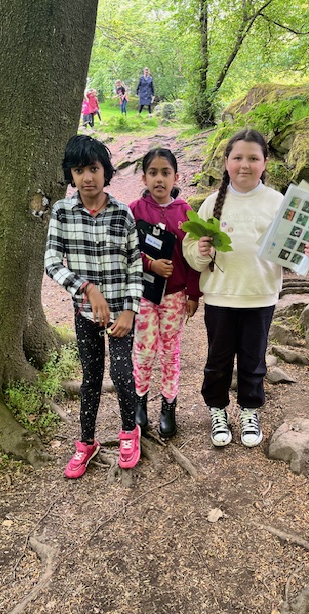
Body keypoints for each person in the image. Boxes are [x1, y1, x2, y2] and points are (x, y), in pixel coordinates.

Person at [182, 129, 309, 449]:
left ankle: (249, 411)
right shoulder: (211, 204)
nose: (244, 165)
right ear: (226, 162)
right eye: (237, 157)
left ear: (265, 162)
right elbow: (191, 251)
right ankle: (218, 410)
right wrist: (200, 251)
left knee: (253, 359)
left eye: (252, 158)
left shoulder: (279, 203)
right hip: (220, 297)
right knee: (218, 360)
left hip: (260, 296)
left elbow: (296, 250)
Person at [45, 135, 144, 478]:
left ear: (105, 171)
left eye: (93, 168)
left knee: (122, 373)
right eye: (79, 170)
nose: (87, 177)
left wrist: (130, 311)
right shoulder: (62, 212)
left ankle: (130, 432)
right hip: (85, 313)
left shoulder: (122, 213)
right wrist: (87, 288)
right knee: (91, 377)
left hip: (121, 316)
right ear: (70, 175)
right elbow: (52, 261)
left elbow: (135, 264)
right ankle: (87, 442)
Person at [129, 148, 201, 438]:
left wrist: (193, 294)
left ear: (176, 177)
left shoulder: (186, 212)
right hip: (144, 295)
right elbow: (125, 250)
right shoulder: (134, 211)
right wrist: (150, 264)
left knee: (170, 352)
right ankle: (139, 402)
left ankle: (168, 406)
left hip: (175, 297)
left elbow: (194, 257)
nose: (159, 179)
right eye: (153, 173)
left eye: (165, 173)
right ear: (144, 178)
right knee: (144, 349)